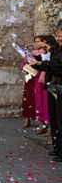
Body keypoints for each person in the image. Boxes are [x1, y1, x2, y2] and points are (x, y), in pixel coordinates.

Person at [30, 27, 62, 162]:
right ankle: (57, 149)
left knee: (60, 120)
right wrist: (36, 62)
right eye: (58, 36)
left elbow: (57, 66)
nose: (59, 38)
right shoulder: (56, 50)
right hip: (53, 87)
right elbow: (47, 63)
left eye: (61, 36)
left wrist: (40, 63)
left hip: (60, 88)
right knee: (54, 119)